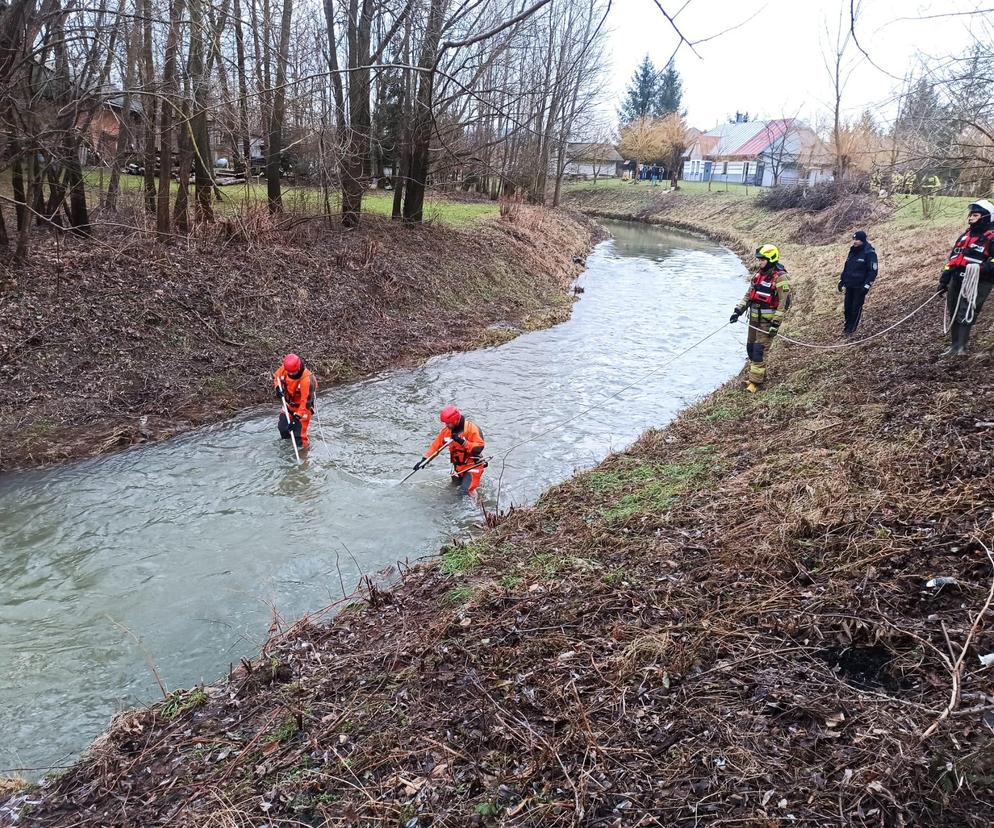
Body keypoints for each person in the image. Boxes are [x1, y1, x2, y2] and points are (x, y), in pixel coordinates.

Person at [730, 244, 792, 393]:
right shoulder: (758, 275)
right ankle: (758, 376)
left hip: (767, 322)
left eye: (762, 260)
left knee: (759, 351)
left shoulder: (781, 277)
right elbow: (748, 295)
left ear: (770, 259)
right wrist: (738, 311)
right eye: (759, 260)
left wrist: (775, 324)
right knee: (751, 348)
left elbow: (784, 303)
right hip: (754, 320)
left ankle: (755, 383)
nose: (760, 262)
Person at [937, 199, 994, 356]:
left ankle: (962, 347)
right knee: (954, 311)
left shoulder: (991, 237)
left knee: (966, 312)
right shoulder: (965, 236)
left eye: (975, 215)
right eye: (970, 214)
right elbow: (952, 260)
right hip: (956, 278)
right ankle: (954, 346)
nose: (970, 218)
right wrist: (944, 280)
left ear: (986, 217)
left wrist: (980, 268)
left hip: (979, 281)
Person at [415, 405, 486, 495]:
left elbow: (478, 448)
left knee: (463, 492)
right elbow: (435, 447)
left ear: (456, 420)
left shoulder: (472, 429)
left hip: (473, 467)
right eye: (445, 423)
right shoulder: (446, 432)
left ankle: (475, 507)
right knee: (450, 492)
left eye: (448, 423)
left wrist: (461, 441)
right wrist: (425, 460)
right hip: (458, 468)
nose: (446, 425)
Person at [837, 230, 878, 335]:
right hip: (850, 284)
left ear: (863, 240)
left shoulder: (869, 253)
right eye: (854, 239)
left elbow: (873, 271)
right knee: (847, 308)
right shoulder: (852, 251)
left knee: (856, 308)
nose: (855, 242)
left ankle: (851, 329)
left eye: (857, 240)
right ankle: (847, 326)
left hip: (860, 286)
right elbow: (847, 267)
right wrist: (842, 280)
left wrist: (867, 284)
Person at [273, 353, 315, 449]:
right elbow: (277, 377)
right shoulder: (285, 368)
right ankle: (288, 449)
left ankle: (304, 456)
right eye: (289, 373)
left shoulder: (307, 379)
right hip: (288, 405)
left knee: (299, 437)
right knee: (283, 428)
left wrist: (296, 419)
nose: (291, 374)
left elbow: (306, 402)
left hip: (303, 408)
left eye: (293, 372)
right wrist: (277, 388)